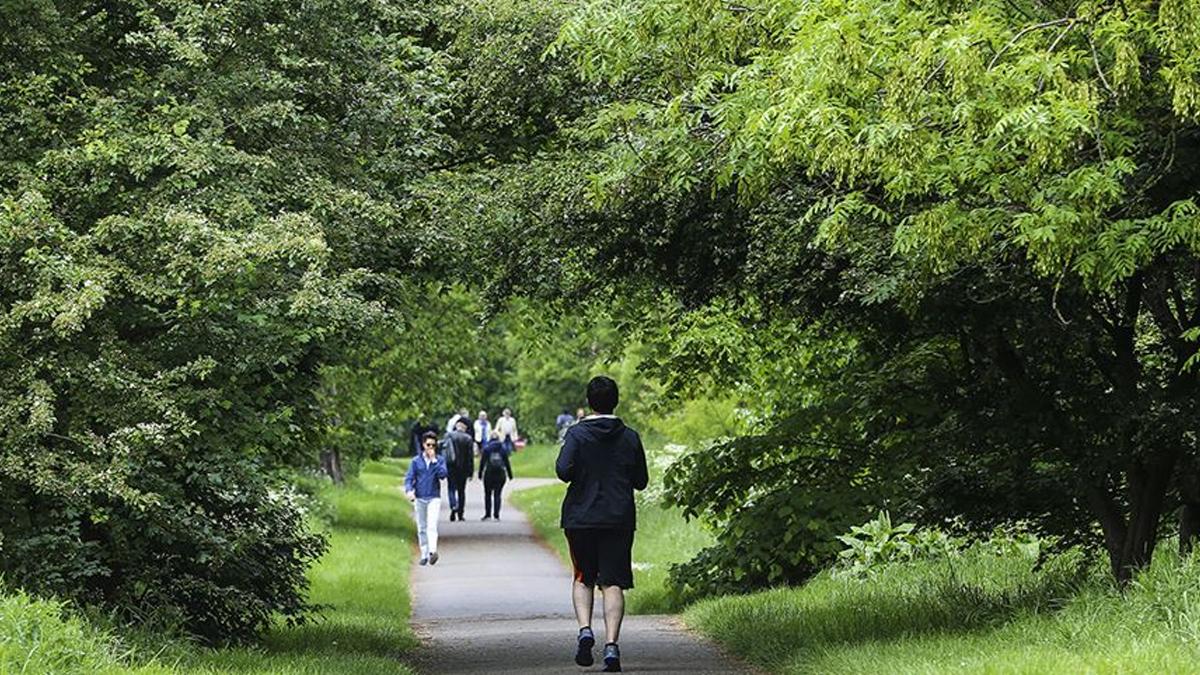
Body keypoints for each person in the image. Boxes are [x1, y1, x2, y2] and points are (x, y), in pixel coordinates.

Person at [555, 376, 648, 673]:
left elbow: (563, 471)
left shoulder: (577, 435)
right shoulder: (630, 437)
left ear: (589, 402)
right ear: (615, 401)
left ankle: (585, 630)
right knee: (612, 581)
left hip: (580, 518)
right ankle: (611, 647)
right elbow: (642, 481)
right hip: (618, 518)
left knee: (583, 577)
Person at [404, 431, 448, 565]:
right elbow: (409, 478)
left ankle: (432, 552)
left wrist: (434, 461)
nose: (430, 448)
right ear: (423, 445)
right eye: (428, 445)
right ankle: (424, 553)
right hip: (420, 497)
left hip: (434, 497)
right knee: (422, 527)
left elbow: (443, 475)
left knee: (432, 525)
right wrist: (409, 490)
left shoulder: (439, 460)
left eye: (433, 445)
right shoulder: (416, 461)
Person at [443, 419, 475, 521]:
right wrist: (471, 471)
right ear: (465, 428)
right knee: (461, 491)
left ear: (456, 427)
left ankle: (453, 505)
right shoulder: (468, 438)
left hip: (451, 466)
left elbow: (444, 452)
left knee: (451, 488)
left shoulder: (449, 436)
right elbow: (470, 457)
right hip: (463, 468)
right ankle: (460, 513)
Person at [478, 431, 513, 521]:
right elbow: (507, 463)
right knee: (498, 494)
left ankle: (488, 514)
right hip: (500, 474)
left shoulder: (487, 449)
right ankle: (496, 515)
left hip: (489, 474)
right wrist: (510, 474)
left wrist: (480, 473)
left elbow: (482, 462)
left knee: (488, 494)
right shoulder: (503, 449)